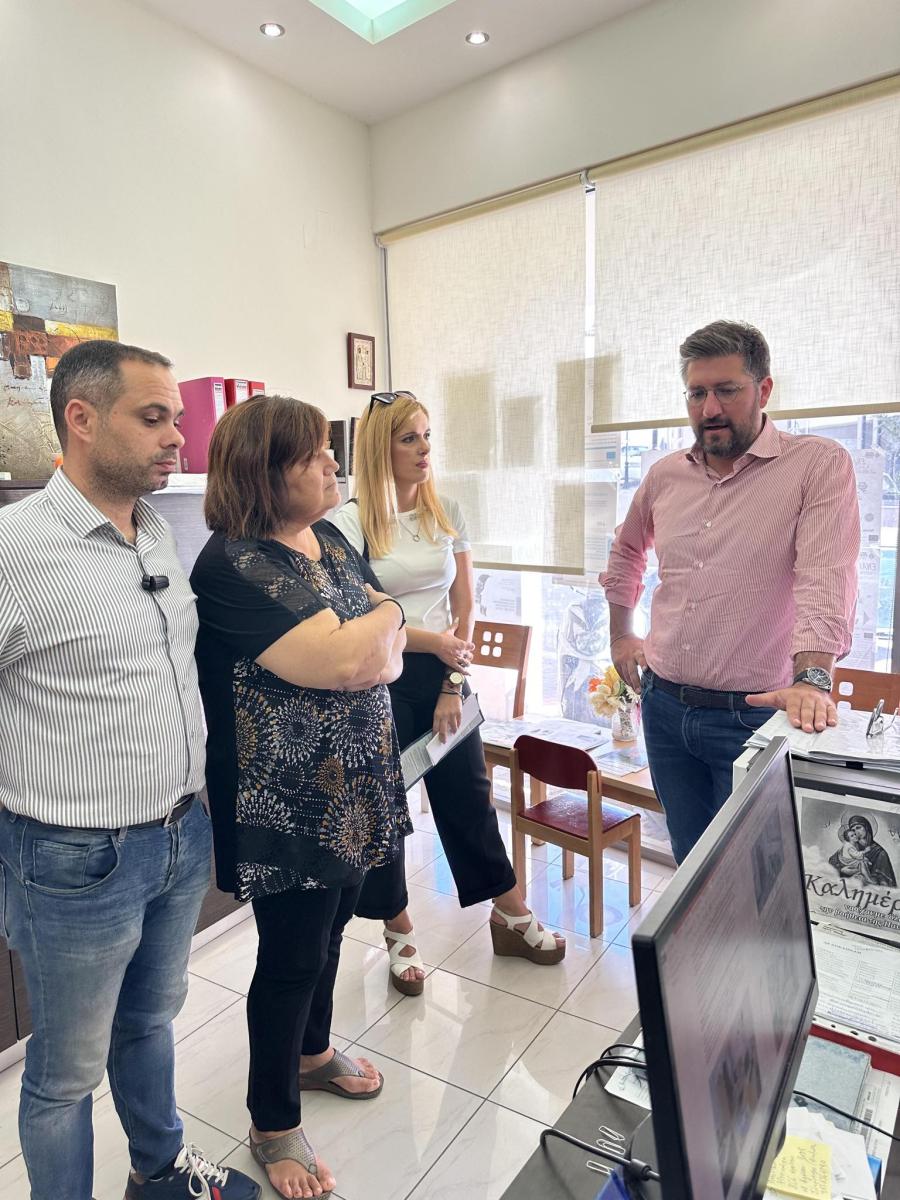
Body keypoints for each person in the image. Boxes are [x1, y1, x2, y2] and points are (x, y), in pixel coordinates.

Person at [0, 340, 259, 1200]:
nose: (178, 438)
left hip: (180, 837)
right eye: (153, 418)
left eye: (176, 419)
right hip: (75, 860)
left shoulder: (154, 532)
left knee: (149, 1022)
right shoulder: (13, 549)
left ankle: (158, 1172)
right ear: (80, 418)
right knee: (65, 1073)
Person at [190, 394, 410, 1199]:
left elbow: (382, 645)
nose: (332, 463)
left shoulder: (328, 538)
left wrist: (379, 628)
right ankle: (272, 1120)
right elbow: (350, 660)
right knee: (289, 959)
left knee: (331, 934)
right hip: (286, 803)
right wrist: (377, 631)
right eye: (312, 454)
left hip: (356, 786)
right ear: (263, 471)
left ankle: (313, 1054)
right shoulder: (234, 563)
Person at [332, 390, 565, 995]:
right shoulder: (348, 523)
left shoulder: (447, 510)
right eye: (409, 438)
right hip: (380, 678)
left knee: (469, 794)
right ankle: (398, 927)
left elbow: (465, 605)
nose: (424, 449)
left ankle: (509, 912)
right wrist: (432, 643)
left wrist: (452, 680)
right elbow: (358, 614)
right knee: (385, 811)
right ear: (379, 449)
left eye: (427, 435)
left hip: (445, 676)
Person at [601, 321, 860, 863]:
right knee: (690, 864)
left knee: (753, 878)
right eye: (696, 393)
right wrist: (621, 635)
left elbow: (825, 577)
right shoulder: (664, 475)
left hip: (753, 718)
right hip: (664, 709)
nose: (710, 408)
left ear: (764, 390)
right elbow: (626, 553)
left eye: (726, 390)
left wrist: (813, 680)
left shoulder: (816, 465)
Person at [829, 815, 897, 887]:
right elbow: (832, 862)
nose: (856, 832)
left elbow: (886, 882)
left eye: (858, 828)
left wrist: (864, 880)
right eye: (853, 830)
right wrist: (842, 870)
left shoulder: (880, 852)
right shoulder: (850, 847)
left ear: (866, 828)